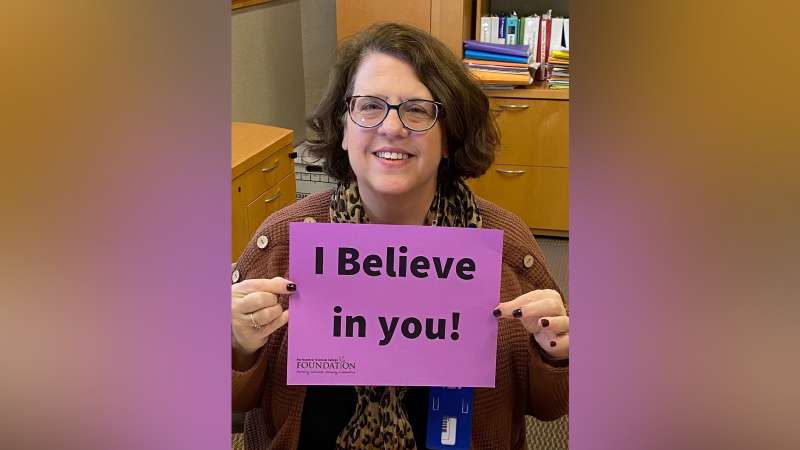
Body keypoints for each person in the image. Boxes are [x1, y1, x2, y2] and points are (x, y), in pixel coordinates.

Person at [231, 22, 568, 450]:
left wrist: (555, 354)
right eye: (370, 106)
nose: (392, 127)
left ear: (449, 136)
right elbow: (229, 401)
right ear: (345, 127)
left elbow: (550, 406)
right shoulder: (284, 243)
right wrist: (238, 348)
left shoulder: (504, 249)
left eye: (418, 110)